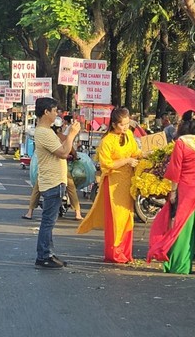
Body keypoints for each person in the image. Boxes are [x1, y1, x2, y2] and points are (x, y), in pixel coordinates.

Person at [147, 111, 195, 275]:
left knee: (183, 226)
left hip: (187, 189)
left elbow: (175, 169)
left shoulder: (180, 143)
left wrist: (173, 192)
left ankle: (181, 266)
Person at [77, 107, 140, 263]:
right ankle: (115, 253)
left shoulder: (129, 135)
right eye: (122, 125)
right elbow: (106, 165)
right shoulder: (107, 141)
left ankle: (126, 252)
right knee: (116, 218)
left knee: (127, 217)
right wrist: (126, 161)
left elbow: (135, 153)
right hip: (112, 183)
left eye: (127, 124)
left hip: (127, 182)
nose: (125, 127)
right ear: (113, 124)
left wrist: (147, 154)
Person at [33, 97, 81, 269]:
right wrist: (72, 135)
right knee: (48, 222)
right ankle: (43, 255)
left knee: (49, 221)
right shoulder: (44, 132)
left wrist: (68, 135)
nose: (56, 114)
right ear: (46, 112)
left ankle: (49, 253)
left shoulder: (47, 131)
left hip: (54, 180)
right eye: (54, 111)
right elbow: (63, 152)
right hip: (52, 181)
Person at [22, 120, 83, 221]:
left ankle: (30, 212)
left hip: (45, 168)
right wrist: (74, 155)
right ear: (60, 128)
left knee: (37, 188)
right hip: (60, 169)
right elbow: (71, 151)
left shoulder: (45, 135)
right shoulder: (63, 137)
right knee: (71, 188)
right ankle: (77, 213)